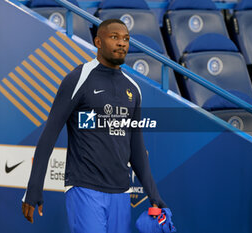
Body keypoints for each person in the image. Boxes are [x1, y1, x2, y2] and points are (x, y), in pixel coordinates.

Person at [22, 18, 168, 233]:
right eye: (114, 37)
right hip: (84, 188)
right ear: (98, 42)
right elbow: (49, 136)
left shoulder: (133, 88)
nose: (122, 43)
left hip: (121, 192)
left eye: (126, 39)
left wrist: (154, 196)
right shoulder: (79, 78)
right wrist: (34, 188)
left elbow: (136, 148)